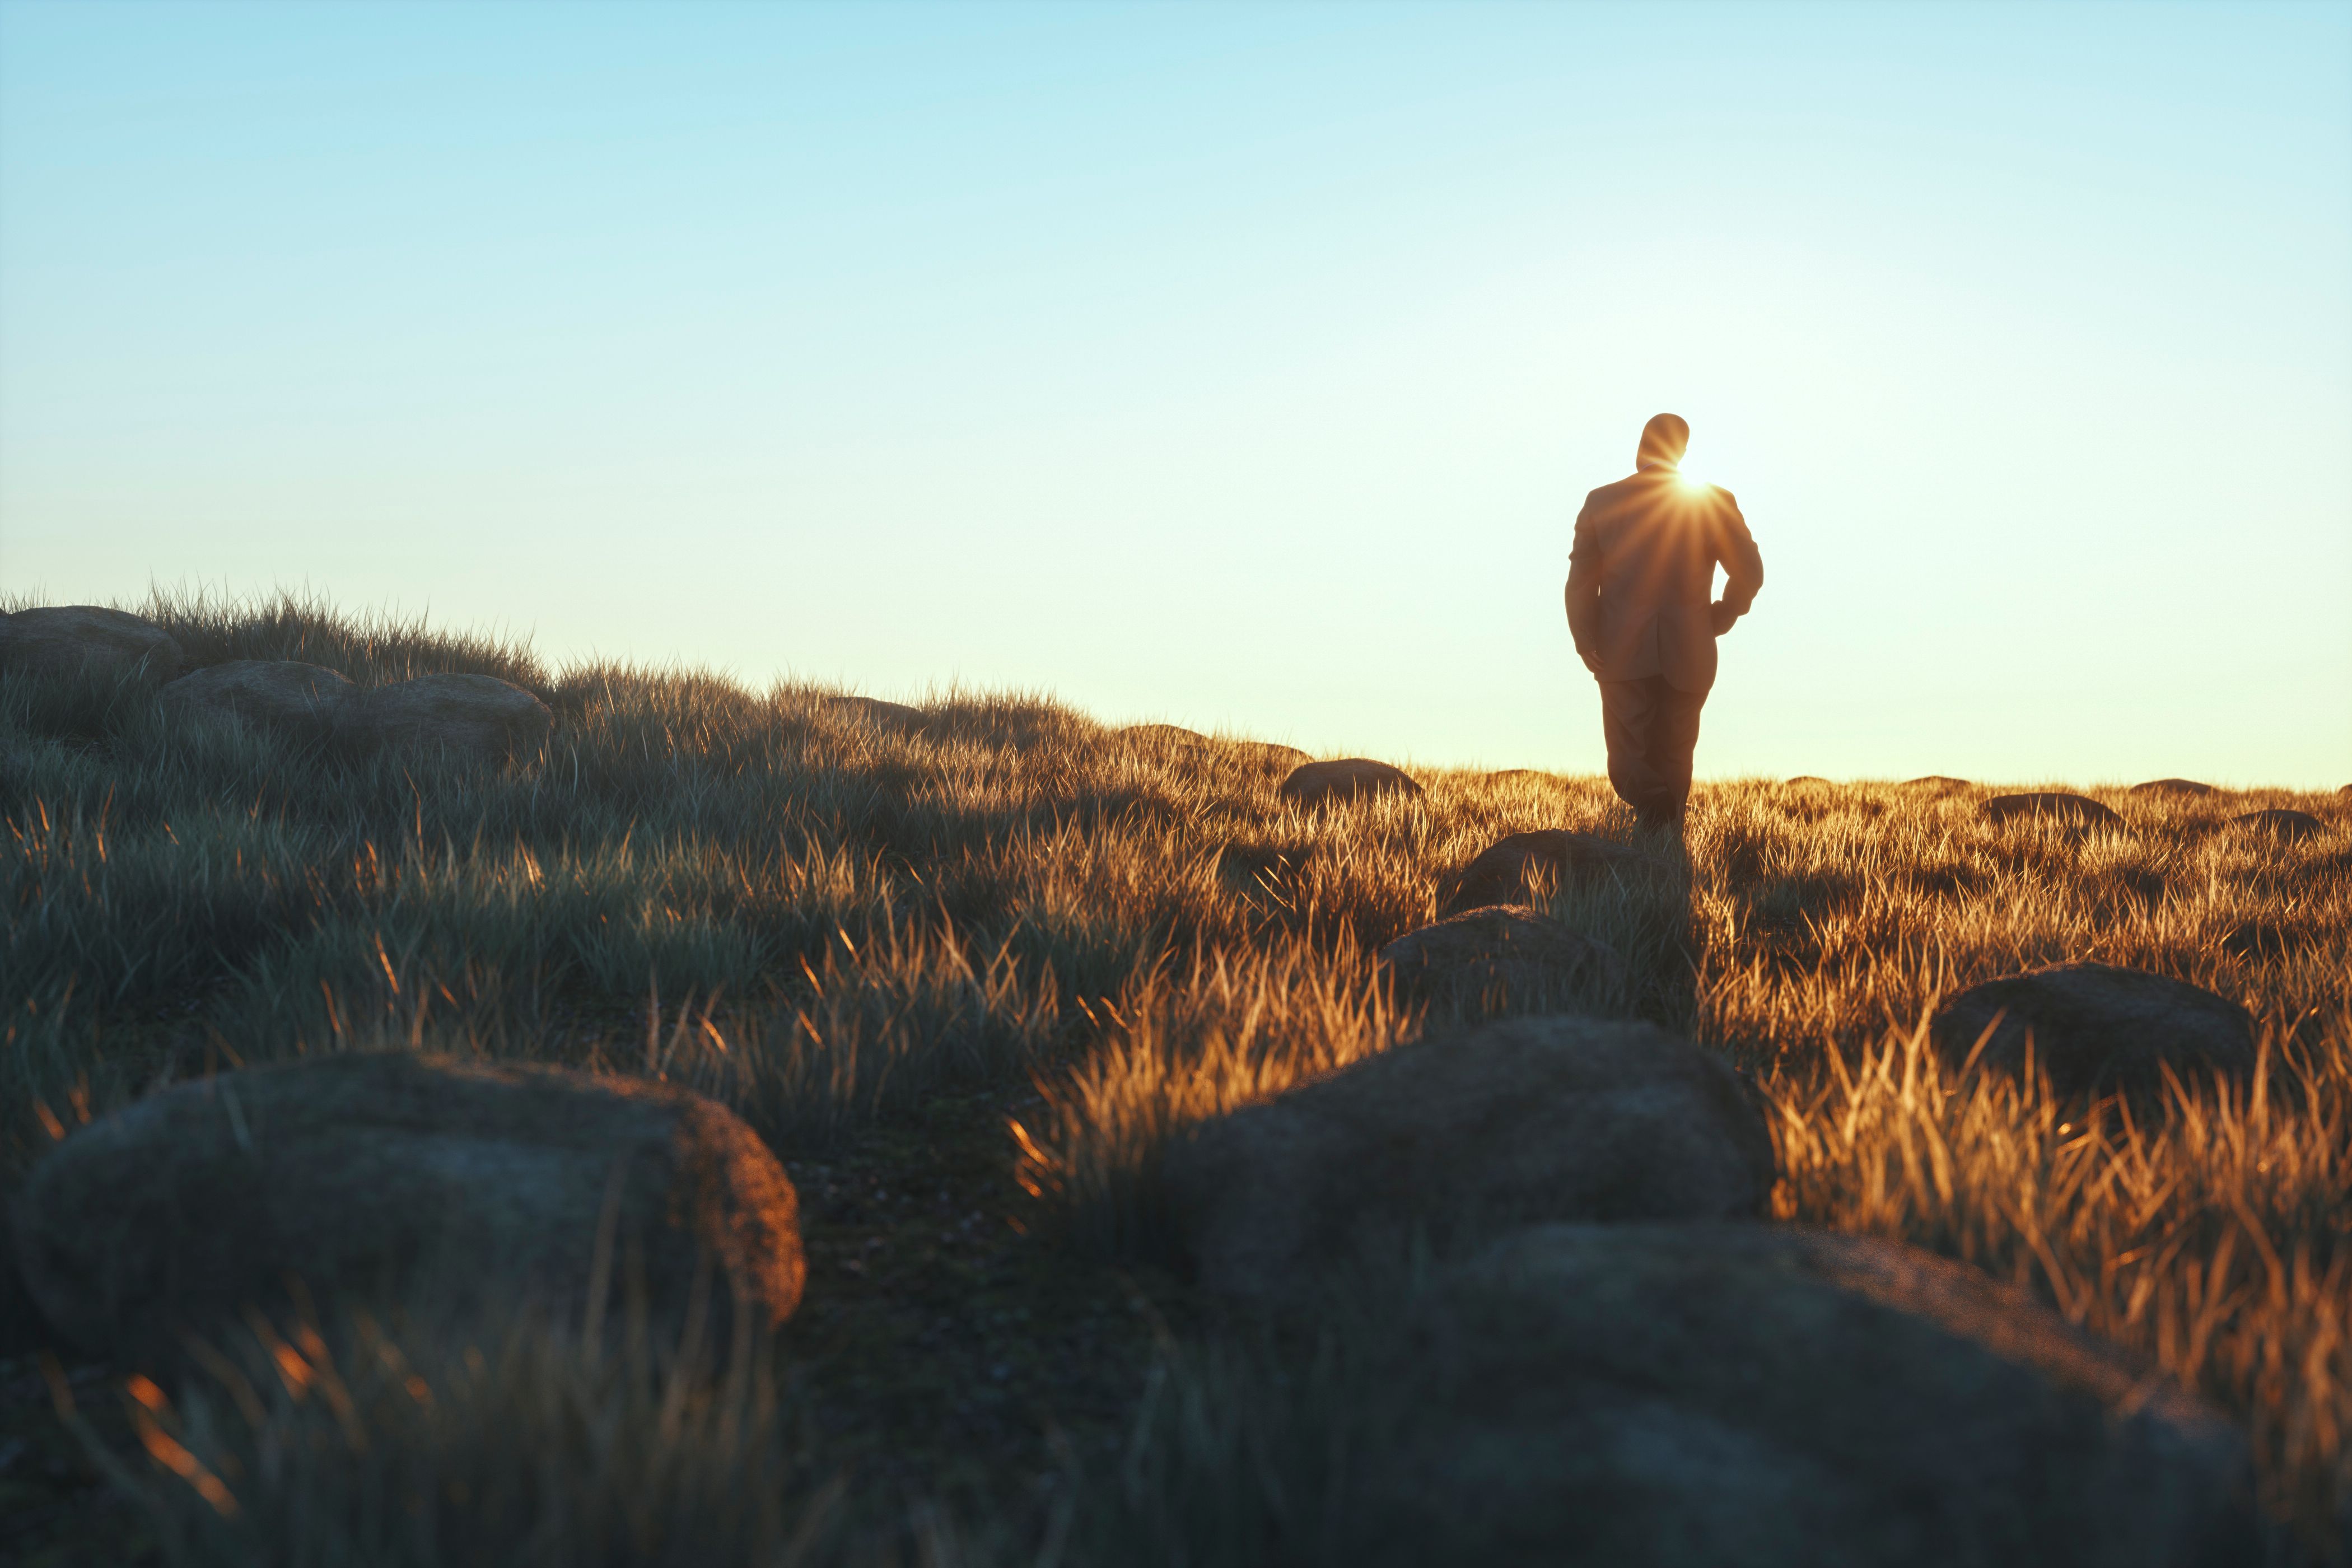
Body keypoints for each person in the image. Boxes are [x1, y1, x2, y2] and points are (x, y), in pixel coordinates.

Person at [1564, 413, 1764, 836]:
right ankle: (1667, 839)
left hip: (1618, 651)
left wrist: (1585, 639)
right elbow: (1750, 571)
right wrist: (1722, 615)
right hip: (1692, 649)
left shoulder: (1602, 501)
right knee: (1676, 754)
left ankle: (1655, 825)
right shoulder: (1713, 501)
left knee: (1628, 760)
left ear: (1642, 446)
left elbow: (1581, 580)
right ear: (1683, 452)